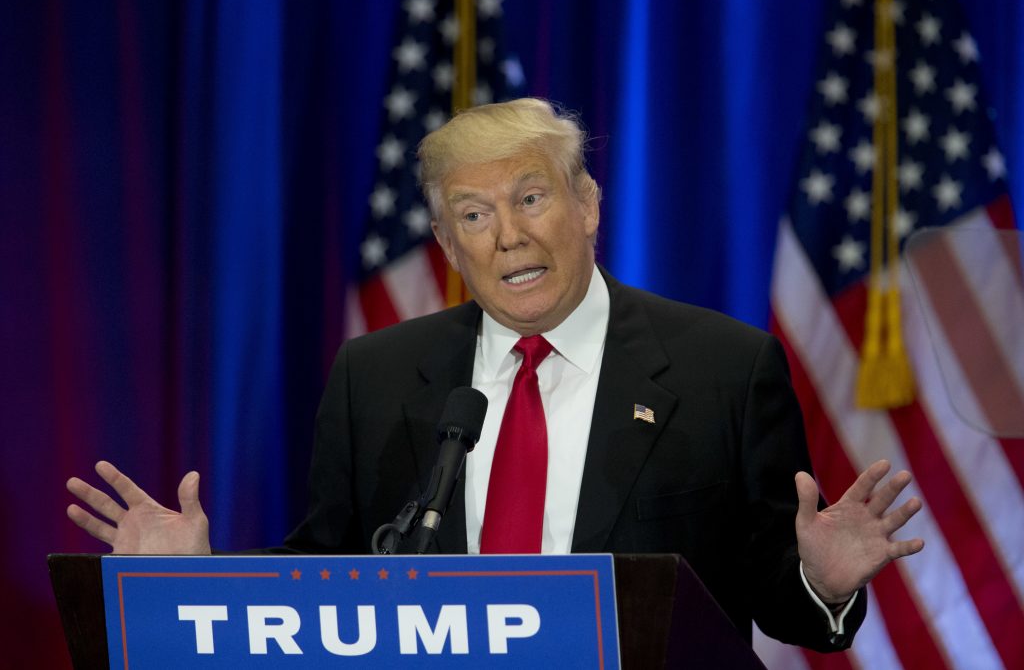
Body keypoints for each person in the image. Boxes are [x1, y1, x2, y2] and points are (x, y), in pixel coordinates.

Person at [67, 98, 923, 652]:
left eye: (530, 197)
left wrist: (819, 576)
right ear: (448, 246)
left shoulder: (723, 369)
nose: (507, 234)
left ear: (586, 206)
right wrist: (191, 582)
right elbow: (328, 580)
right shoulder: (379, 373)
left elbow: (776, 601)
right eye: (473, 215)